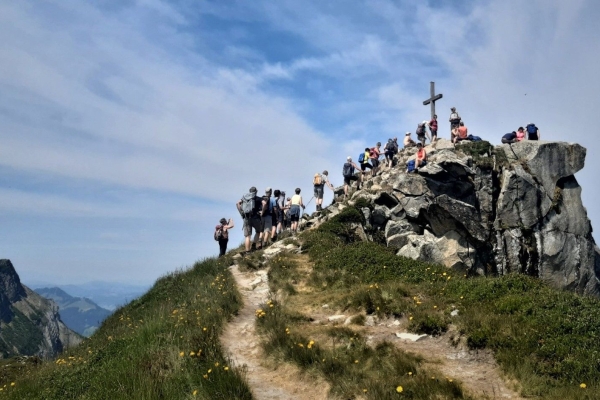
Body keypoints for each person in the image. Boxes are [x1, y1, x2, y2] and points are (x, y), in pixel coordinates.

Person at [236, 186, 263, 254]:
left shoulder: (244, 198)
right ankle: (254, 245)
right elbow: (264, 203)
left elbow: (237, 203)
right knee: (259, 231)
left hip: (246, 218)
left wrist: (242, 213)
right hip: (255, 217)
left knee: (247, 236)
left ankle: (247, 251)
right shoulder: (257, 198)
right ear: (256, 191)